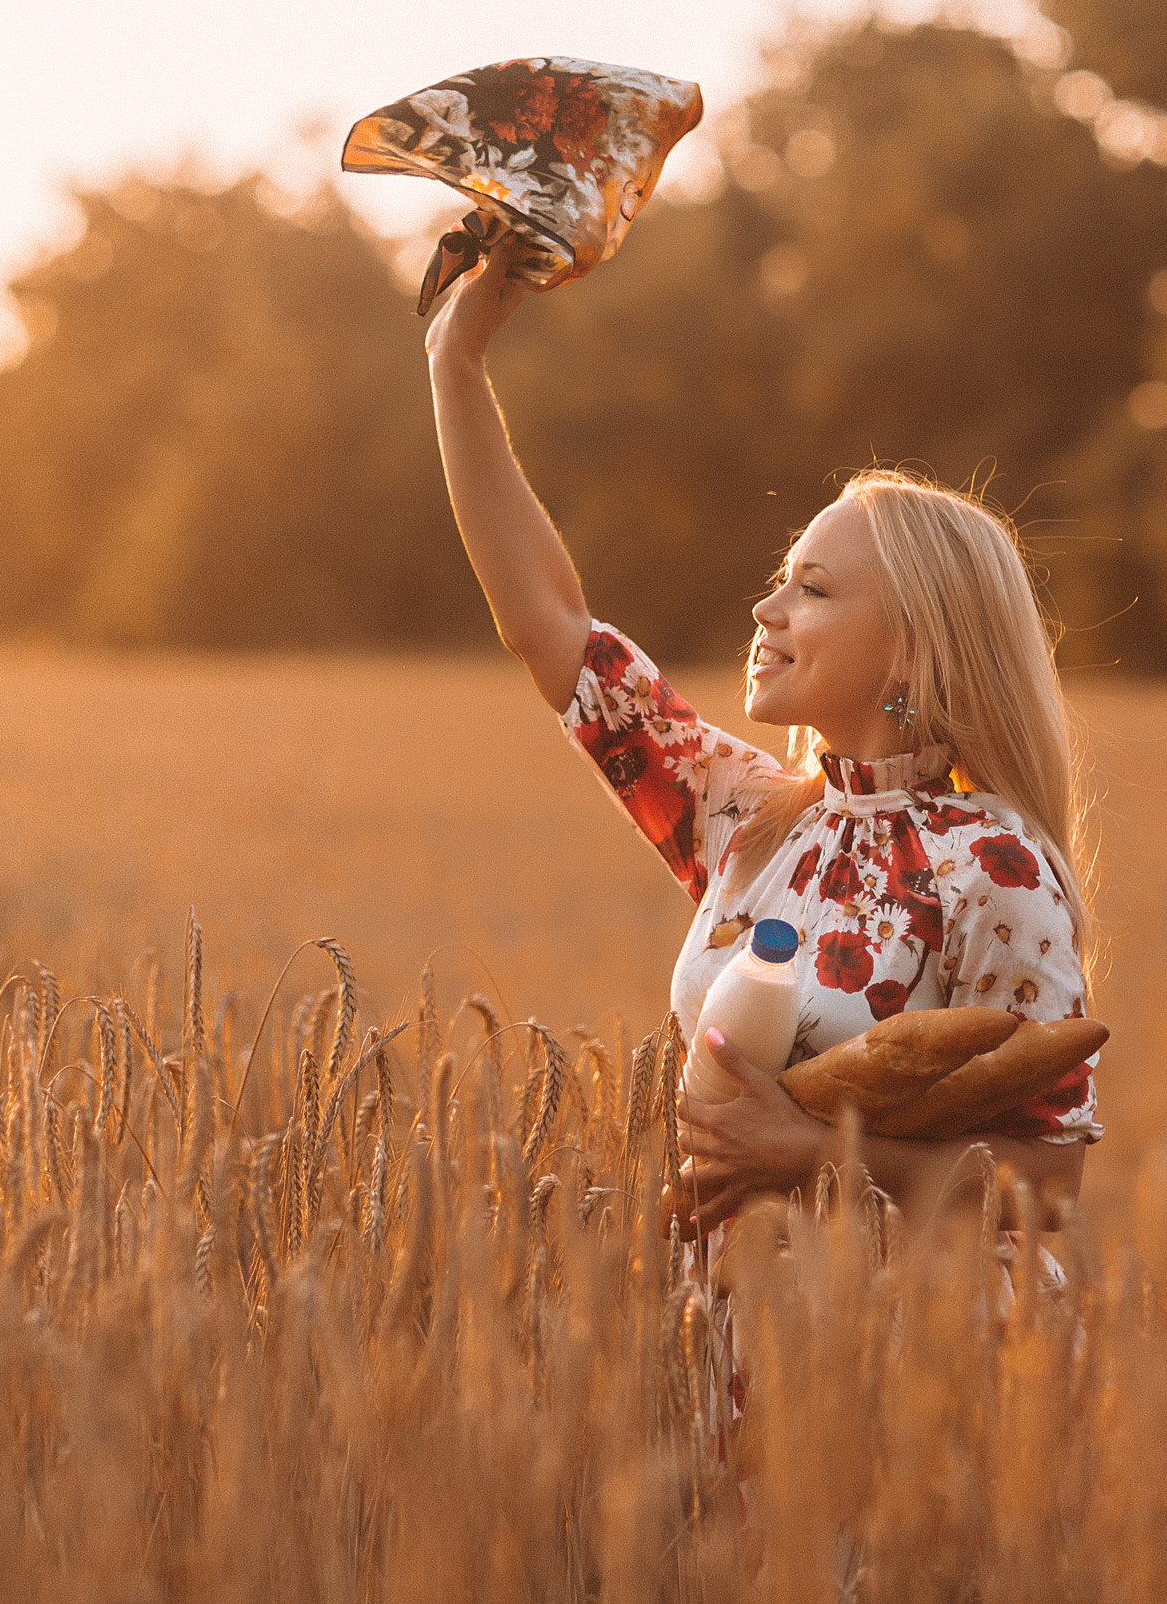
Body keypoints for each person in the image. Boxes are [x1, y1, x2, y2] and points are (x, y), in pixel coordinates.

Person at [424, 255, 1100, 1235]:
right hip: (729, 1347)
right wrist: (455, 361)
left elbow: (1048, 1191)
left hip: (901, 1364)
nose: (764, 608)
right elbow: (550, 628)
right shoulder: (749, 816)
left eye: (812, 589)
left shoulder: (990, 866)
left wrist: (811, 1156)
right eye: (780, 579)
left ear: (915, 648)